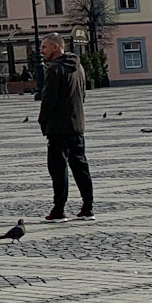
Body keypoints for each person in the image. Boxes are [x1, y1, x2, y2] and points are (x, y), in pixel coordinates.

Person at [39, 38, 92, 220]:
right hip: (77, 124)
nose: (41, 50)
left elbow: (49, 99)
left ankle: (59, 210)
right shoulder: (79, 66)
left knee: (58, 168)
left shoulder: (54, 69)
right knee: (80, 166)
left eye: (44, 47)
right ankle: (88, 206)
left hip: (58, 127)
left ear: (56, 47)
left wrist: (43, 121)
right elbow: (83, 94)